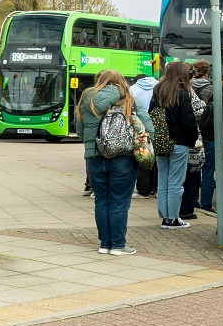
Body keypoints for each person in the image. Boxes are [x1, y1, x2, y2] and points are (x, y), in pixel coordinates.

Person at [80, 70, 148, 256]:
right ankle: (118, 245)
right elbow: (147, 126)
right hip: (123, 158)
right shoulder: (128, 99)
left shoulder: (87, 98)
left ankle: (104, 244)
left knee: (101, 201)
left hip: (94, 158)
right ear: (120, 81)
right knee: (119, 201)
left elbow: (80, 130)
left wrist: (92, 144)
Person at [148, 61, 197, 229]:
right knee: (176, 182)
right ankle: (173, 218)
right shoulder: (182, 94)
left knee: (163, 180)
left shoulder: (157, 92)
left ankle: (164, 217)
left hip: (161, 142)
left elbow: (151, 115)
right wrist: (192, 140)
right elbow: (189, 122)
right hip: (179, 142)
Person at [180, 72, 207, 222]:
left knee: (172, 179)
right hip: (190, 141)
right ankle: (186, 210)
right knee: (192, 176)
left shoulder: (162, 89)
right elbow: (197, 114)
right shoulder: (188, 93)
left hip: (170, 141)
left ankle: (169, 212)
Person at [191, 59, 216, 213]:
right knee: (208, 169)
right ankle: (206, 203)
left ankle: (193, 200)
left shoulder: (188, 87)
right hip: (208, 133)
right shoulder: (212, 89)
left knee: (193, 169)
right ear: (207, 72)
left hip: (193, 131)